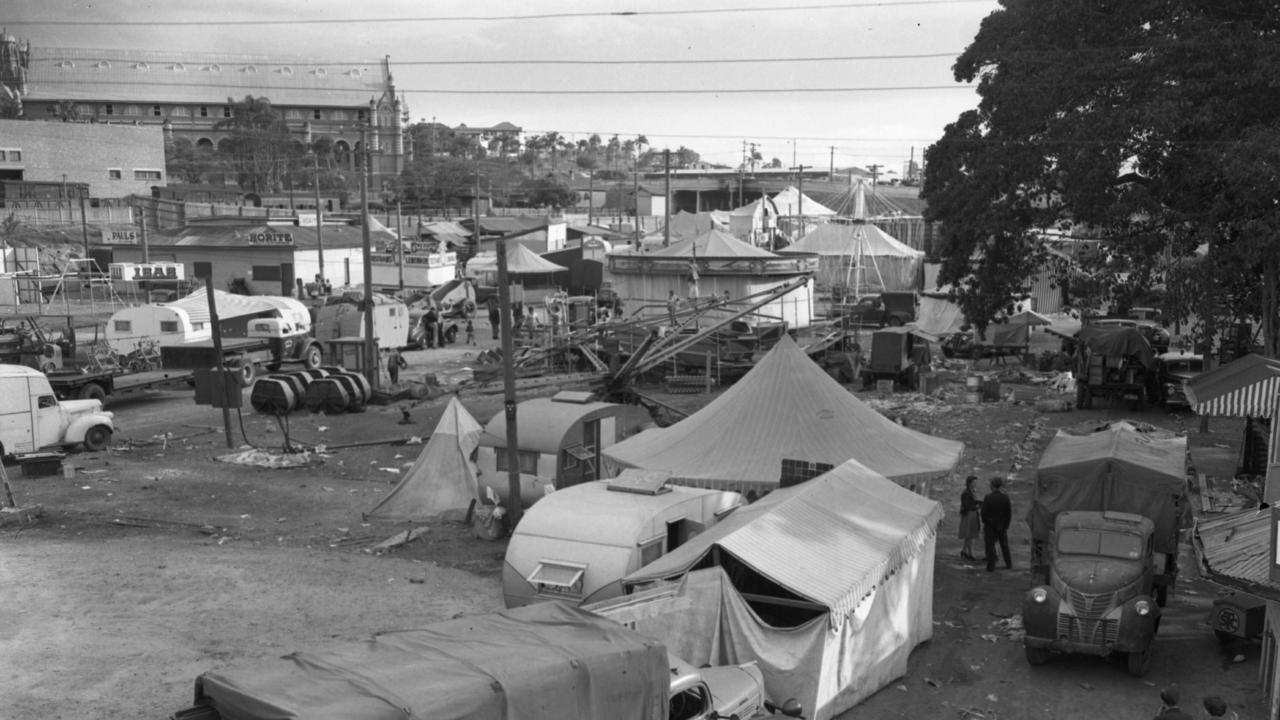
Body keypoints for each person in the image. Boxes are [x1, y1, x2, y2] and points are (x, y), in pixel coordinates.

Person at [981, 476, 1013, 572]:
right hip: (1002, 526)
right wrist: (1006, 525)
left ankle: (991, 566)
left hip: (990, 526)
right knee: (1004, 546)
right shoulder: (1005, 498)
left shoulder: (988, 498)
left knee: (990, 546)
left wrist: (986, 522)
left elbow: (984, 513)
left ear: (993, 486)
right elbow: (1008, 514)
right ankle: (1009, 564)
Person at [958, 475, 981, 561]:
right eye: (974, 482)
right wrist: (976, 507)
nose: (976, 484)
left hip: (972, 515)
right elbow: (966, 505)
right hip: (969, 515)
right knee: (970, 535)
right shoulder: (966, 493)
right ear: (970, 483)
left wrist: (978, 503)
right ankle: (970, 553)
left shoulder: (971, 491)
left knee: (969, 535)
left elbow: (972, 502)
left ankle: (964, 551)